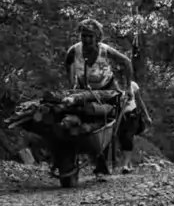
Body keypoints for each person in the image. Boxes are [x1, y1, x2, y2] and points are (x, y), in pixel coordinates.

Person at [63, 18, 153, 175]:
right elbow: (67, 63)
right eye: (84, 36)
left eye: (90, 36)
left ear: (97, 37)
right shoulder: (75, 50)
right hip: (83, 91)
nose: (87, 39)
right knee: (78, 115)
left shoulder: (105, 51)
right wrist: (72, 83)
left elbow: (126, 63)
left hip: (107, 90)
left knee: (106, 122)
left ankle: (103, 162)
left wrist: (127, 87)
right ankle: (73, 158)